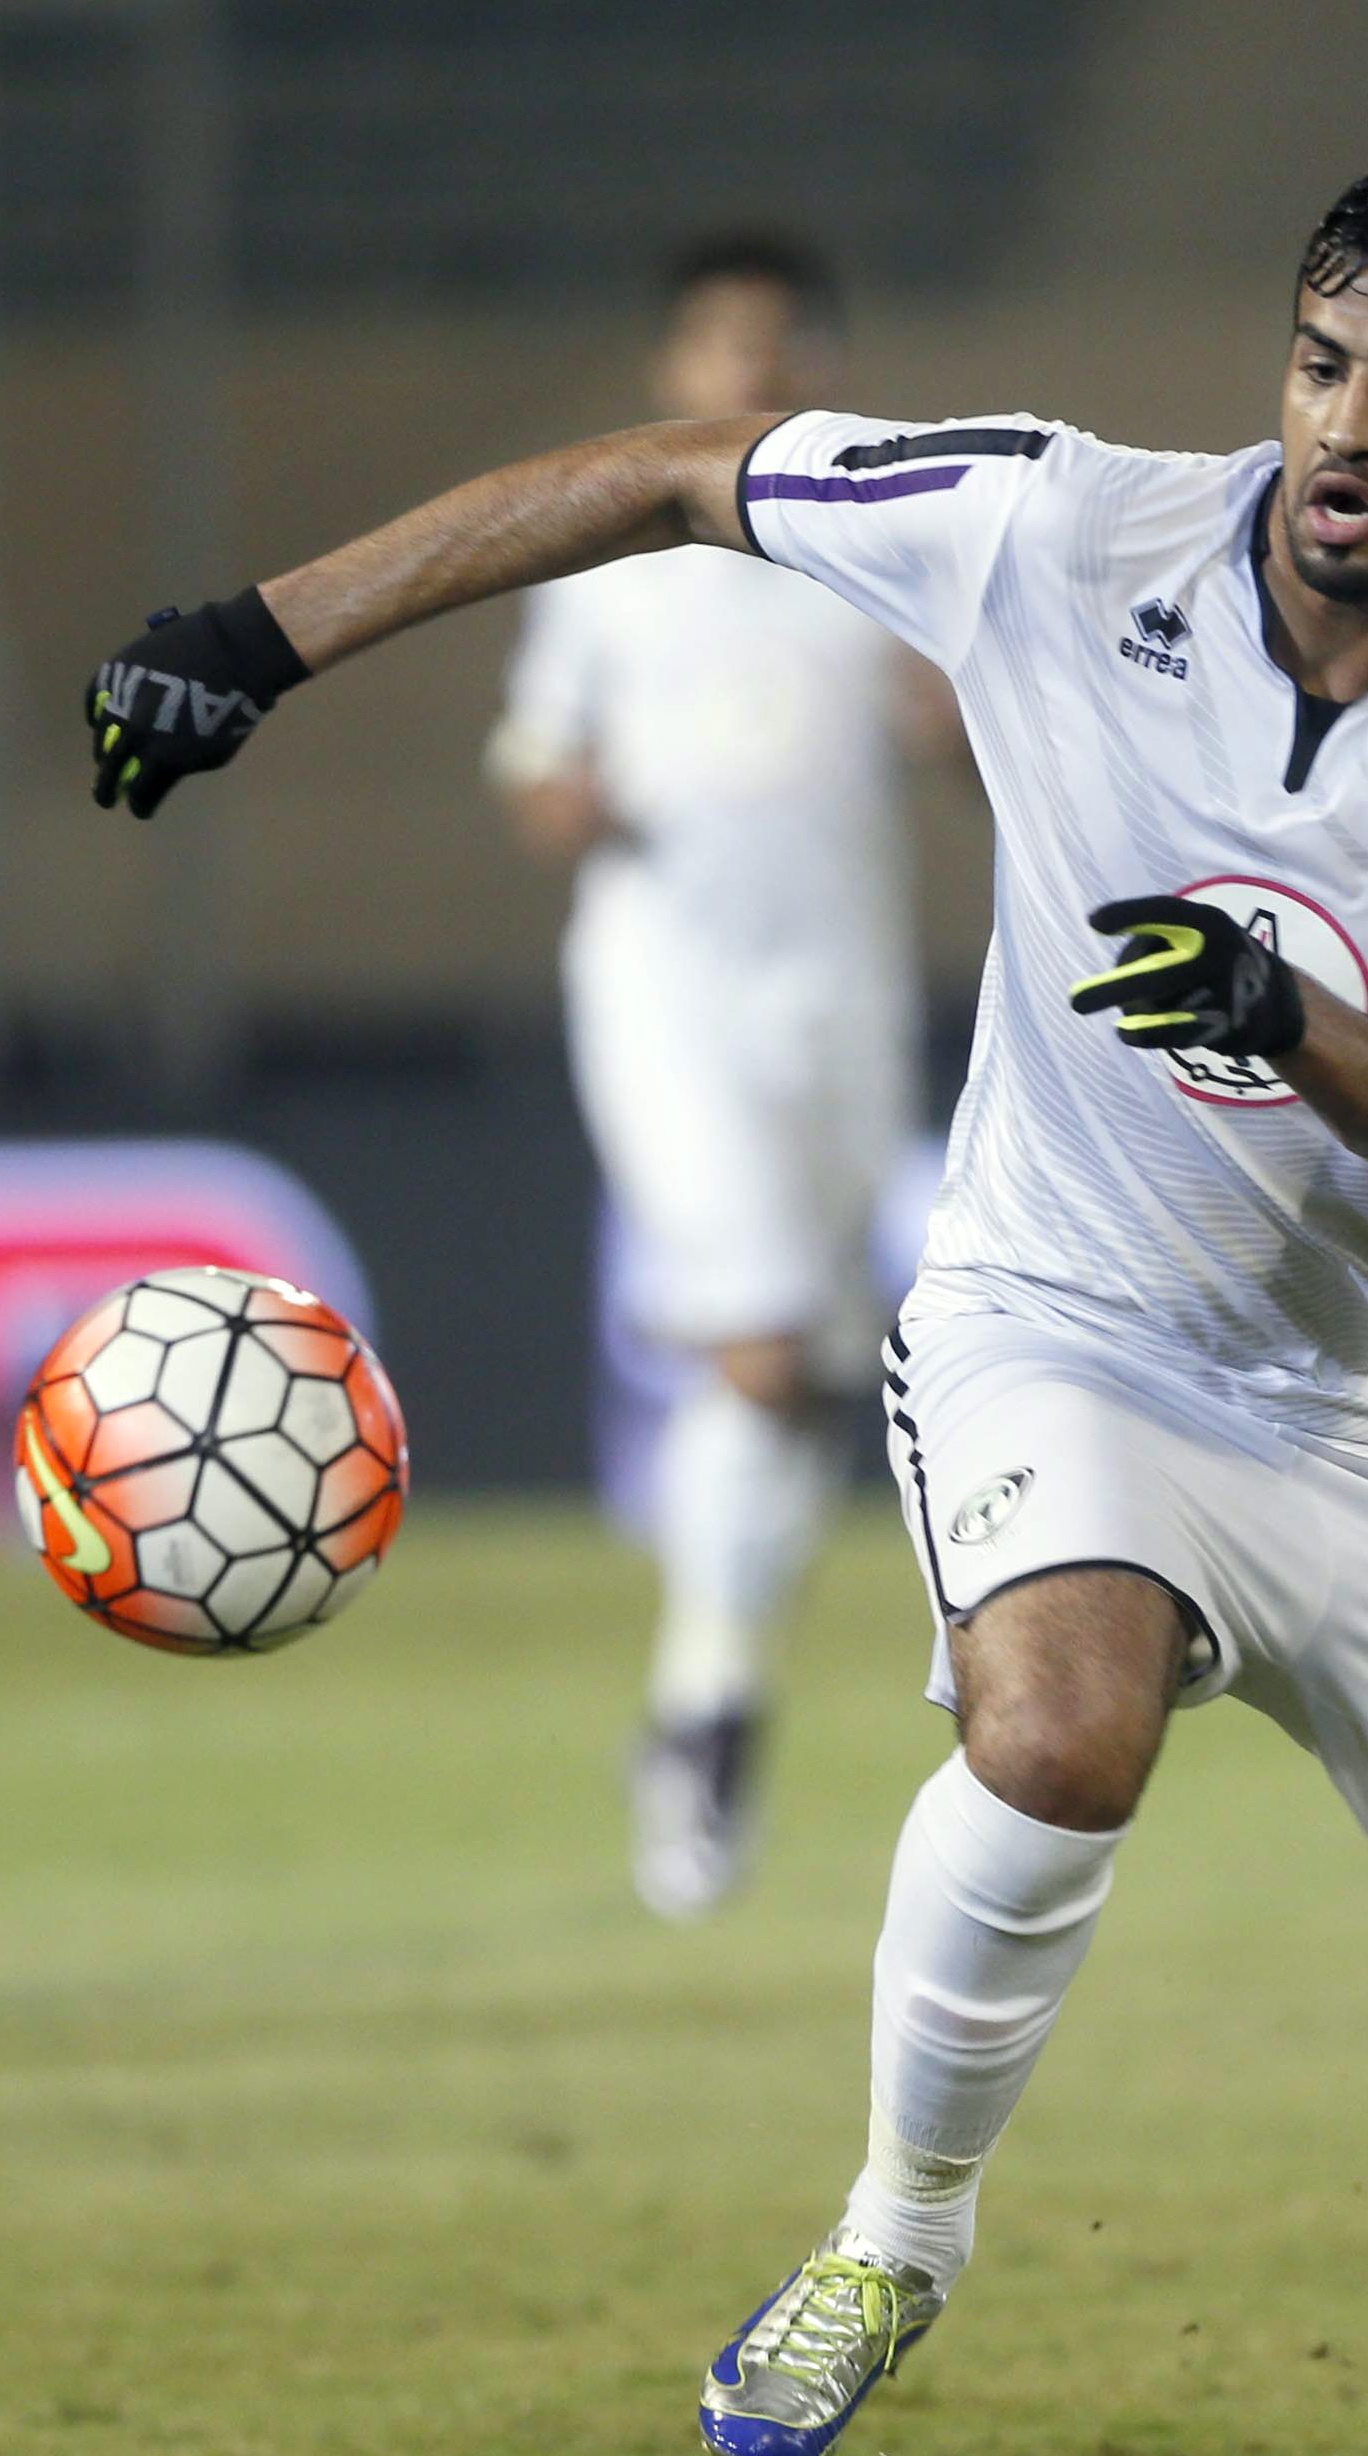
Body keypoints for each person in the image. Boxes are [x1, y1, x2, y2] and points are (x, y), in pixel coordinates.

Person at [83, 132, 1368, 2456]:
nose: (1344, 431)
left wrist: (1284, 1017)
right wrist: (258, 629)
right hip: (1058, 1321)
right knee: (1051, 1720)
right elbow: (668, 477)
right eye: (1318, 368)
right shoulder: (1057, 526)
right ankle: (896, 2232)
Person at [484, 233, 937, 1920]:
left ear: (820, 359)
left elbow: (960, 745)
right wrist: (568, 804)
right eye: (721, 341)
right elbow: (538, 763)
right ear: (675, 366)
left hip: (843, 995)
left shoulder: (877, 551)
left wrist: (948, 718)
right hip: (667, 985)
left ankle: (697, 1700)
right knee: (756, 1350)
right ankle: (714, 1723)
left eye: (782, 338)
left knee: (803, 1370)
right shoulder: (602, 551)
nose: (750, 368)